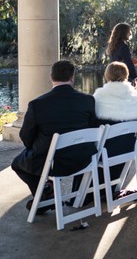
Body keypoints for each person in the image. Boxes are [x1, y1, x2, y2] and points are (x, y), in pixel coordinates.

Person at [11, 60, 98, 212]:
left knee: (18, 163)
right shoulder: (88, 100)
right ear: (72, 77)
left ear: (51, 77)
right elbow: (94, 128)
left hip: (54, 163)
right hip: (84, 159)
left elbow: (26, 137)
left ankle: (44, 194)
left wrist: (35, 146)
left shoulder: (37, 104)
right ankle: (45, 194)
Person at [93, 61, 137, 155]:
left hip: (105, 151)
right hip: (128, 149)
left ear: (107, 75)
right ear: (126, 74)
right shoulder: (136, 97)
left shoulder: (99, 96)